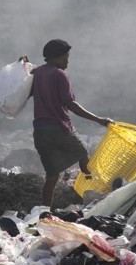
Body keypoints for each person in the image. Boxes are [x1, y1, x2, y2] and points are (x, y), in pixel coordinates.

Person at [29, 39, 112, 208]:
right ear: (56, 58)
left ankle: (44, 212)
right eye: (65, 57)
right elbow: (71, 104)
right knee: (82, 152)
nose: (67, 61)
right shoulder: (60, 74)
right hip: (59, 128)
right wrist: (98, 120)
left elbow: (24, 85)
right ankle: (94, 191)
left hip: (40, 131)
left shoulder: (37, 73)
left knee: (52, 176)